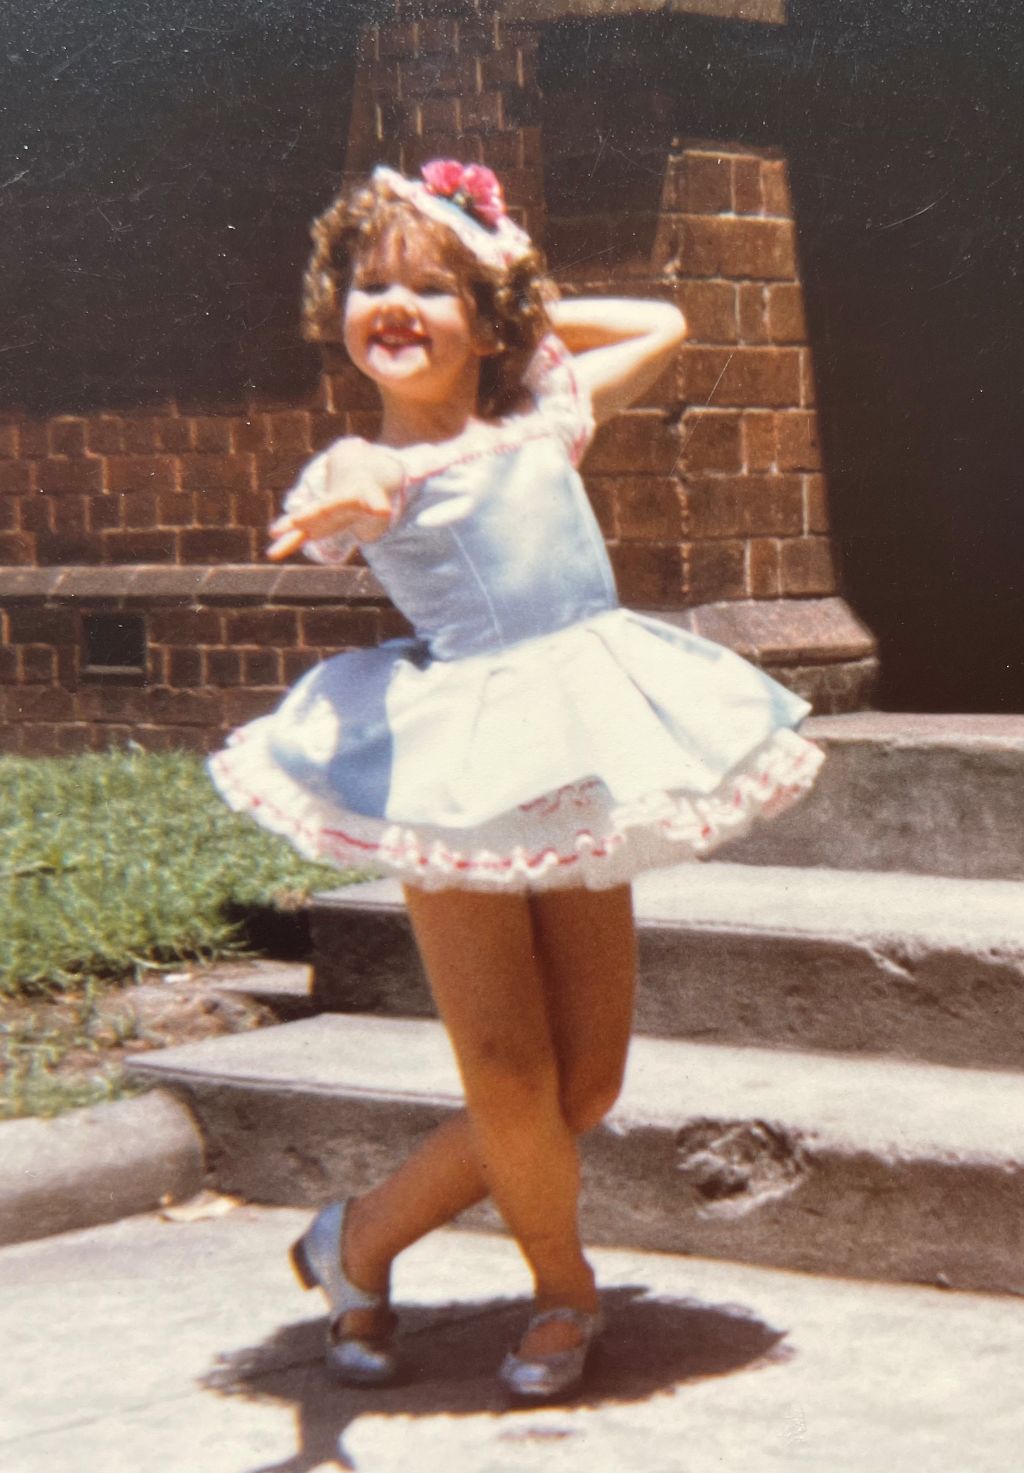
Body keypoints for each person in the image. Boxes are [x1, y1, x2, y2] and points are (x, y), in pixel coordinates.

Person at [208, 159, 823, 1400]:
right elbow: (355, 492)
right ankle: (562, 1291)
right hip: (460, 758)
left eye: (432, 290)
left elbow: (662, 320)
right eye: (371, 283)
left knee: (584, 1082)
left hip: (582, 741)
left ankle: (360, 1239)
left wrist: (511, 304)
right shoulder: (362, 464)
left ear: (486, 318)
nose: (396, 305)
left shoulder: (543, 417)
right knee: (508, 1073)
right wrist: (368, 474)